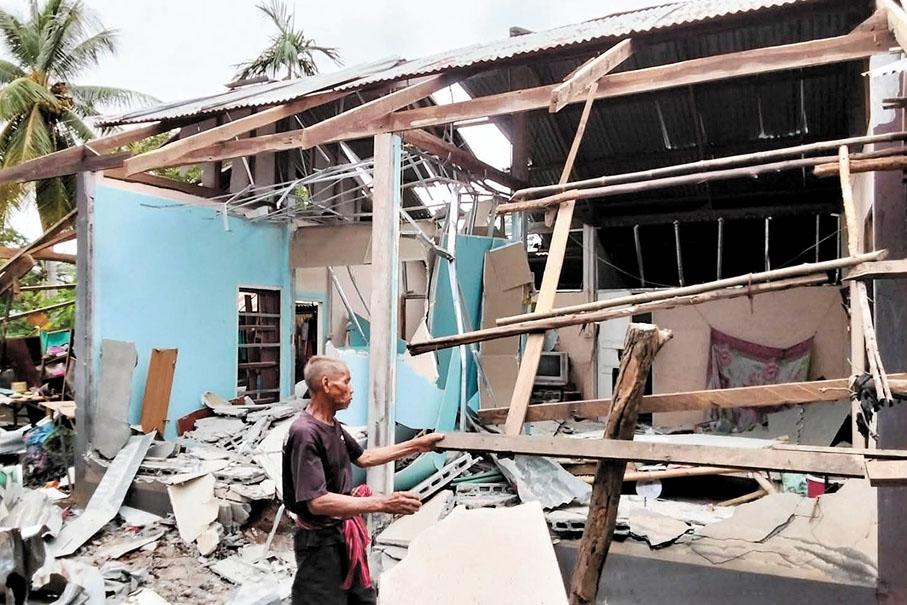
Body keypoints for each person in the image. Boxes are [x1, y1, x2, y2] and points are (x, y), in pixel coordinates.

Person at [283, 355, 444, 605]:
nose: (352, 389)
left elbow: (364, 457)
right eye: (346, 381)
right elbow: (318, 502)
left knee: (362, 599)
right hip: (319, 543)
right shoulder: (305, 433)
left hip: (342, 535)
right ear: (326, 384)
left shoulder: (331, 424)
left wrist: (416, 445)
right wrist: (383, 504)